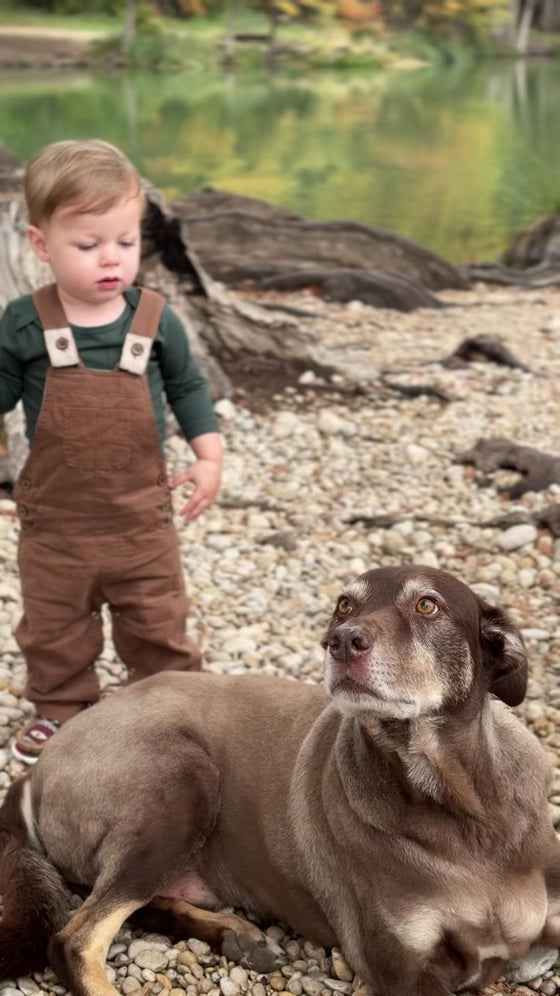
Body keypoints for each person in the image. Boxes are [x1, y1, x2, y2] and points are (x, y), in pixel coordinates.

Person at [0, 139, 223, 764]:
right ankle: (61, 709)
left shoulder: (156, 320)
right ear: (41, 246)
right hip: (54, 531)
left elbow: (187, 387)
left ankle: (172, 708)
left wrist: (208, 457)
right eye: (89, 244)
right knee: (53, 627)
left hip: (140, 526)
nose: (111, 259)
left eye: (125, 243)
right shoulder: (24, 322)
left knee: (158, 620)